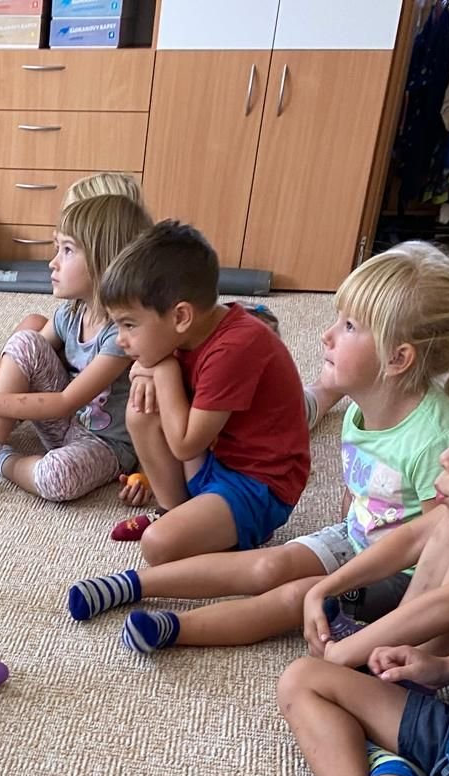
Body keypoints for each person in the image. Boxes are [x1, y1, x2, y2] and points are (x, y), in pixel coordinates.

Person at [67, 243, 449, 655]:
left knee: (295, 596)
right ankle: (131, 585)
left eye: (349, 326)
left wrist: (407, 632)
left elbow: (438, 548)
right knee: (269, 565)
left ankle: (176, 627)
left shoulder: (437, 438)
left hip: (401, 575)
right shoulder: (359, 410)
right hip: (356, 539)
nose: (327, 334)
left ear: (398, 358)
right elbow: (360, 491)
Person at [277, 380, 449, 776]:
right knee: (299, 679)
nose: (447, 456)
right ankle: (385, 772)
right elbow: (410, 539)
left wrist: (347, 652)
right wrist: (447, 667)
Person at [96, 219, 310, 565]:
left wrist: (163, 369)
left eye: (129, 324)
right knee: (140, 407)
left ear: (181, 316)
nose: (120, 340)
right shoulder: (182, 332)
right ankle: (174, 512)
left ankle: (223, 532)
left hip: (259, 485)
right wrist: (149, 369)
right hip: (215, 461)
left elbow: (185, 445)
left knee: (158, 547)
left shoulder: (234, 347)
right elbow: (137, 371)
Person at [0, 172, 153, 506]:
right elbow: (23, 354)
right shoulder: (70, 314)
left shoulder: (120, 334)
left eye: (67, 250)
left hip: (102, 443)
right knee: (27, 339)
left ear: (102, 261)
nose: (52, 263)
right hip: (63, 424)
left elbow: (65, 401)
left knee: (56, 477)